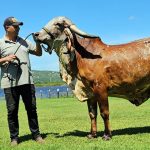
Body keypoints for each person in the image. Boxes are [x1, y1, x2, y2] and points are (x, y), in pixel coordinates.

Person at [0, 17, 44, 146]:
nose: (19, 28)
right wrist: (5, 58)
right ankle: (14, 138)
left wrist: (37, 42)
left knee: (32, 109)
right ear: (8, 27)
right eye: (16, 26)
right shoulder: (1, 43)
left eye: (19, 26)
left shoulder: (25, 41)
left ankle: (36, 135)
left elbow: (38, 53)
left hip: (27, 81)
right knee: (12, 111)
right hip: (9, 83)